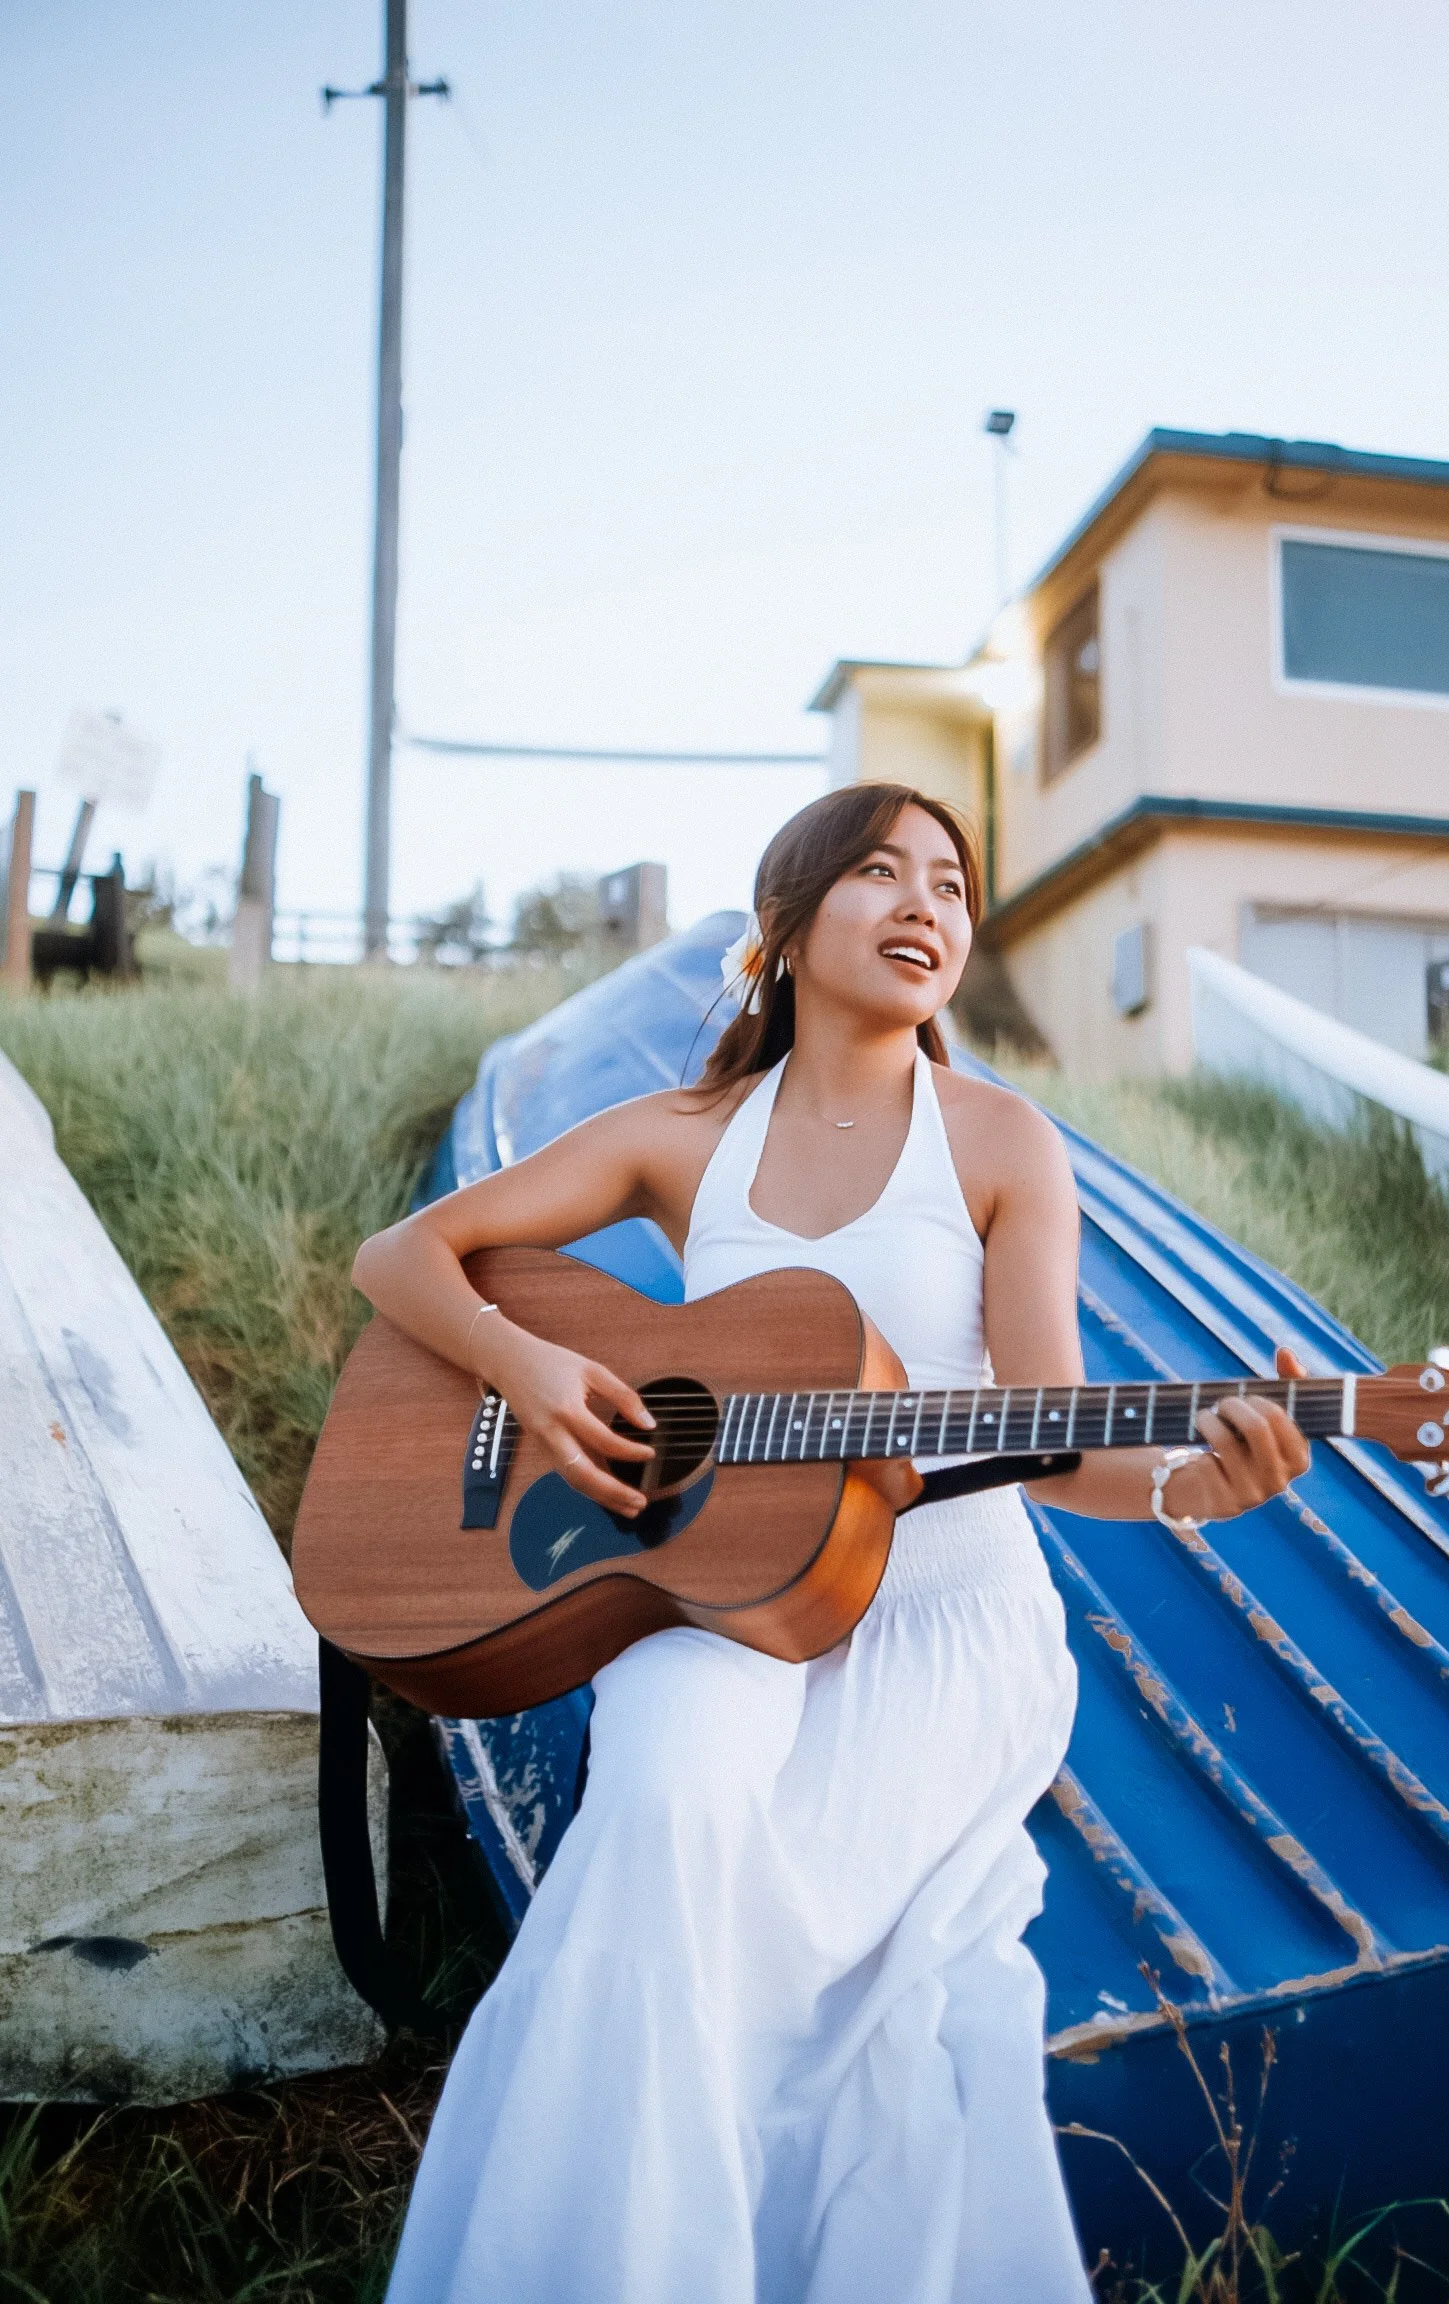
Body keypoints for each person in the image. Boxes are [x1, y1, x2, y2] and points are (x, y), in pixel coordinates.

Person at [358, 783, 1310, 2304]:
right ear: (786, 927)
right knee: (664, 1816)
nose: (928, 900)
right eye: (881, 871)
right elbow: (402, 1256)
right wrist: (527, 1369)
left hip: (942, 1620)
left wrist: (1199, 1487)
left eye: (951, 879)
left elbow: (1053, 1436)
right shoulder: (684, 1137)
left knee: (836, 1989)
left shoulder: (1003, 1141)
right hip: (712, 1606)